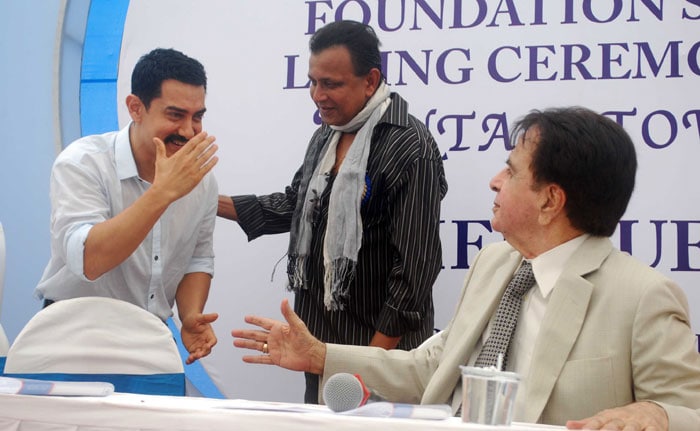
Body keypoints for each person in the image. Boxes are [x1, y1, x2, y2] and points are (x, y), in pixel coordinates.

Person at [231, 107, 700, 430]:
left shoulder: (642, 297)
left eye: (512, 171)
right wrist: (320, 356)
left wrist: (659, 414)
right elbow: (433, 368)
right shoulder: (495, 261)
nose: (495, 181)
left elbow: (688, 410)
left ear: (550, 201)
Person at [218, 20, 447, 402]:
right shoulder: (327, 134)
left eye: (331, 84)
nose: (317, 95)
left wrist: (365, 368)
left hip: (383, 365)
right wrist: (205, 200)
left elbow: (414, 273)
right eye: (313, 81)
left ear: (370, 81)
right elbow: (295, 205)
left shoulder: (411, 146)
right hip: (322, 354)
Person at [35, 48, 220, 364]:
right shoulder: (83, 163)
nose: (189, 131)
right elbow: (88, 259)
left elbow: (197, 259)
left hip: (152, 342)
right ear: (136, 108)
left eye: (198, 116)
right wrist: (162, 194)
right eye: (175, 115)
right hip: (71, 341)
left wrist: (190, 315)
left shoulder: (201, 181)